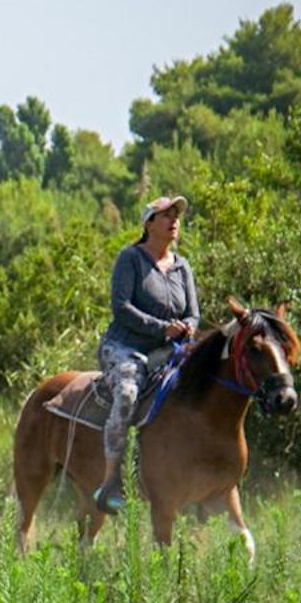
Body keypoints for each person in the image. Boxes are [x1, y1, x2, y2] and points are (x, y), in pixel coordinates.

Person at [93, 195, 200, 514]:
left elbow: (194, 313)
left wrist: (188, 328)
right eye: (165, 215)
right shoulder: (130, 259)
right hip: (125, 348)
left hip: (170, 351)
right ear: (148, 224)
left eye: (176, 215)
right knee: (126, 394)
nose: (174, 220)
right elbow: (121, 308)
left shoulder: (183, 267)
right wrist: (163, 328)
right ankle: (111, 482)